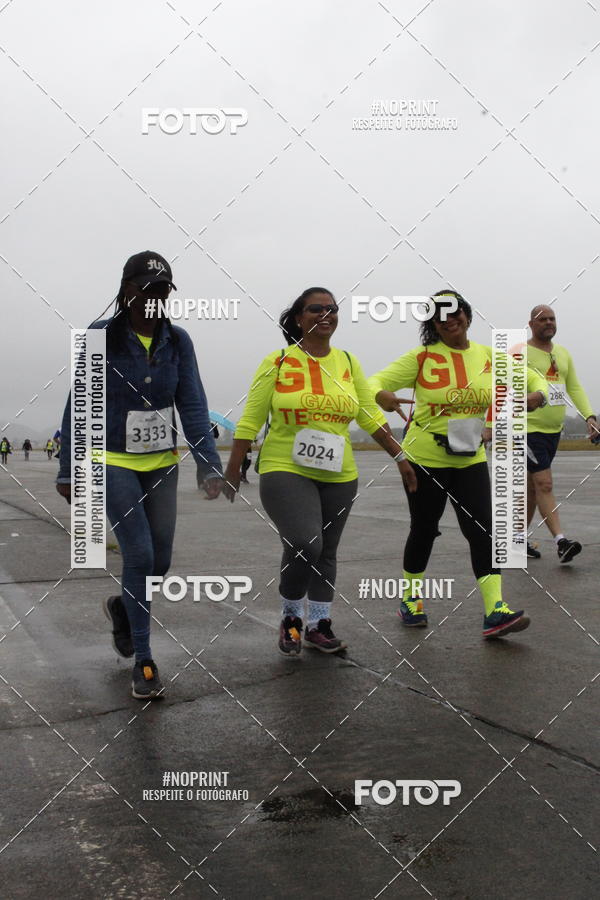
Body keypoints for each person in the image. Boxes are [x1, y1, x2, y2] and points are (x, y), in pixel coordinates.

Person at [56, 251, 223, 699]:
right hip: (111, 461)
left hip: (161, 462)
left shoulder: (179, 341)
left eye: (163, 289)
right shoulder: (100, 336)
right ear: (127, 289)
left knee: (161, 561)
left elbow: (191, 404)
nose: (154, 297)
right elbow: (80, 403)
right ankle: (145, 661)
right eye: (146, 288)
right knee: (141, 556)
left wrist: (209, 466)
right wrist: (68, 467)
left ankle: (123, 610)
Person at [223, 287, 409, 656]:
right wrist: (232, 467)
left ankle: (318, 625)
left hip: (339, 472)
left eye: (332, 308)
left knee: (326, 552)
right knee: (306, 543)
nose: (326, 314)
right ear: (298, 318)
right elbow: (252, 417)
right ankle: (291, 616)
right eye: (316, 308)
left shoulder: (348, 363)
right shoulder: (277, 362)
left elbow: (368, 416)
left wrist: (400, 457)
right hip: (284, 467)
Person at [368, 290, 548, 639]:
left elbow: (533, 377)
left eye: (456, 312)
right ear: (433, 324)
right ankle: (411, 599)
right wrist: (382, 396)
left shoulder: (488, 357)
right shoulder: (421, 358)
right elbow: (373, 383)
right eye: (440, 316)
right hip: (424, 459)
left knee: (483, 531)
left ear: (467, 315)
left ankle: (495, 611)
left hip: (470, 459)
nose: (450, 320)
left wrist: (536, 395)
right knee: (424, 529)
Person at [525, 305, 599, 563]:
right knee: (544, 483)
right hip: (526, 430)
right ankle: (561, 541)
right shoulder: (518, 353)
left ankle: (516, 540)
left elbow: (575, 387)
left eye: (552, 318)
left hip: (553, 432)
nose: (548, 322)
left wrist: (589, 416)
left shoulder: (563, 354)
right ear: (531, 324)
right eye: (542, 319)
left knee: (533, 490)